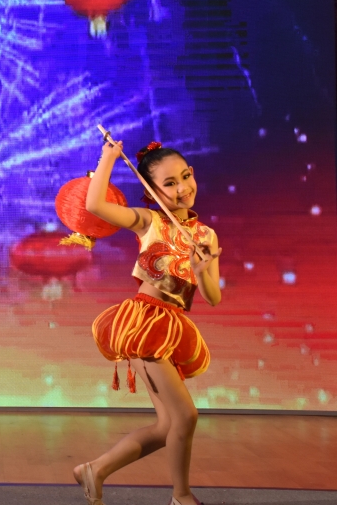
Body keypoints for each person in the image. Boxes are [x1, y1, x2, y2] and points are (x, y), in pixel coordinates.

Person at [74, 140, 222, 505]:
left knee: (167, 425)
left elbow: (213, 297)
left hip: (173, 327)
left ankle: (95, 470)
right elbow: (94, 206)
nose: (182, 188)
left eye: (185, 176)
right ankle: (181, 496)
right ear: (151, 190)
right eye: (169, 183)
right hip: (144, 325)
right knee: (185, 416)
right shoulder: (149, 221)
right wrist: (108, 158)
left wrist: (202, 269)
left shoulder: (206, 236)